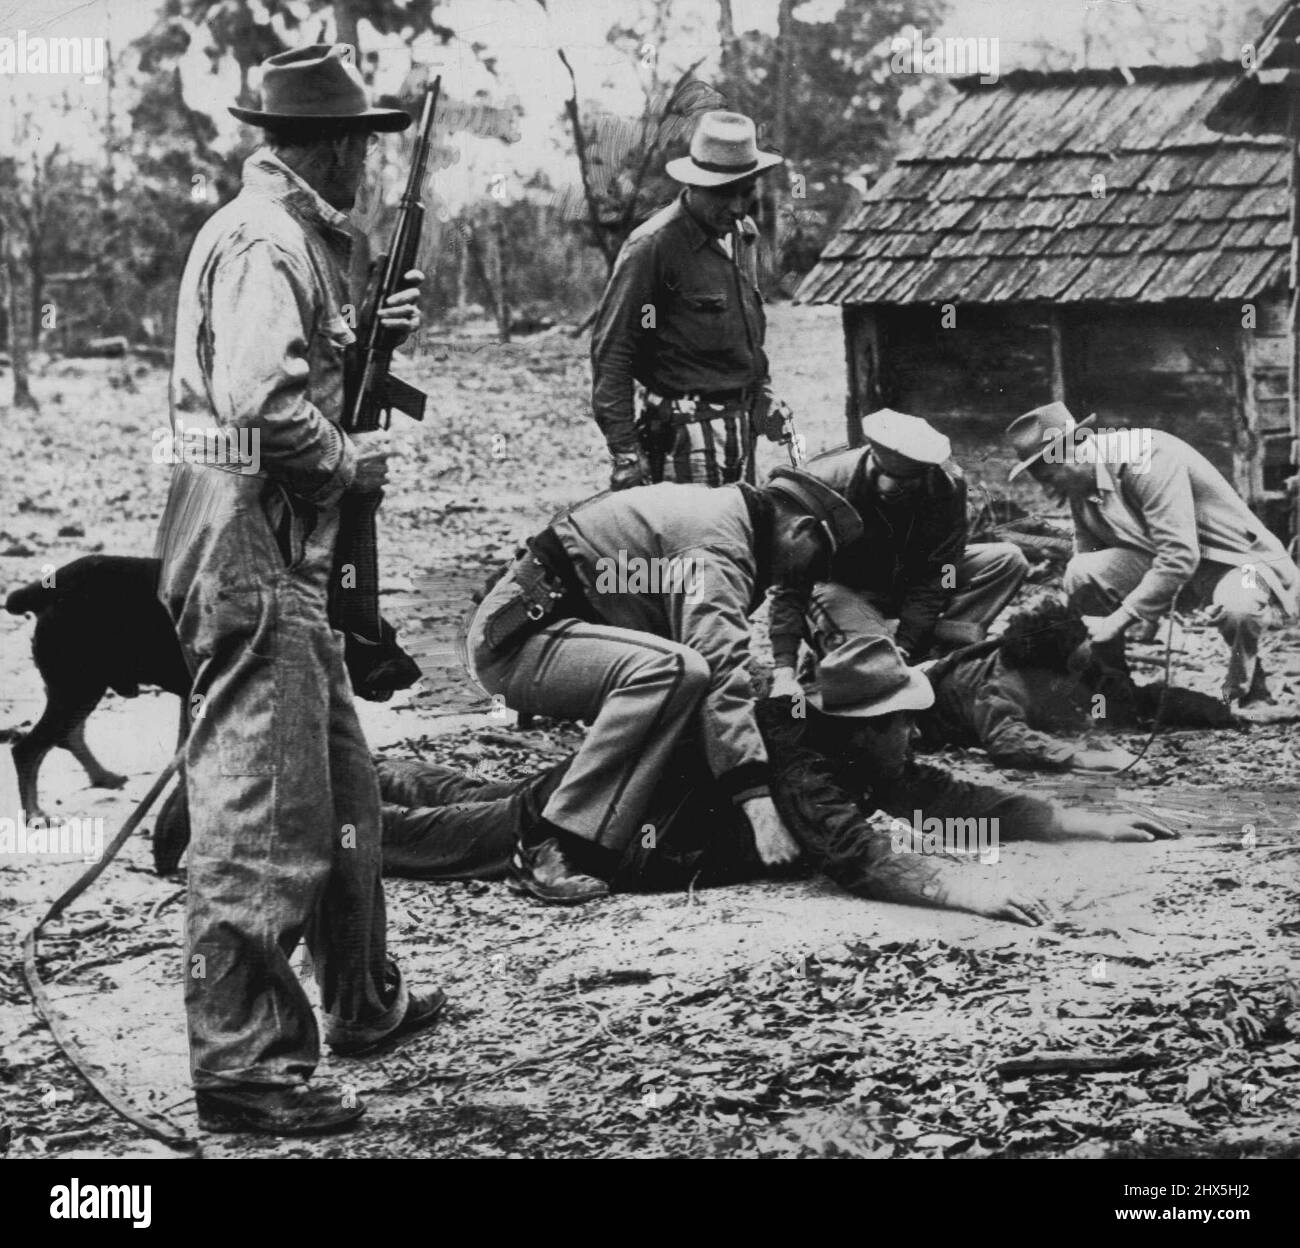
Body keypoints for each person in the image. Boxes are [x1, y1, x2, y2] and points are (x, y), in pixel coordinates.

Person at [154, 44, 442, 1137]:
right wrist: (344, 460)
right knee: (261, 815)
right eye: (359, 143)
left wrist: (375, 342)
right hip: (253, 550)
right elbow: (258, 408)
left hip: (276, 557)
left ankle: (364, 1000)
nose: (368, 164)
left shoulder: (290, 239)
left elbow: (296, 376)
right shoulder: (269, 241)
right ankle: (243, 1065)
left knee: (345, 797)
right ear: (327, 144)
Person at [371, 637, 1174, 926]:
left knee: (457, 795)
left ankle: (383, 770)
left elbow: (949, 798)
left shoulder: (849, 750)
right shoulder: (799, 763)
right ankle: (315, 810)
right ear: (859, 728)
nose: (911, 734)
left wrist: (1081, 823)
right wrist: (964, 892)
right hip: (580, 831)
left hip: (582, 796)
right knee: (400, 841)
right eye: (898, 722)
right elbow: (851, 851)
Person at [465, 470, 863, 903]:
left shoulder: (729, 520)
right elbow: (717, 666)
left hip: (553, 633)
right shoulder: (718, 546)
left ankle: (488, 807)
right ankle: (552, 846)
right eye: (814, 561)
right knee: (678, 671)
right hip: (514, 643)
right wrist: (757, 802)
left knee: (685, 675)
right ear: (800, 530)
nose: (803, 577)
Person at [1005, 402, 1300, 717]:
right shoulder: (1084, 484)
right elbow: (1088, 556)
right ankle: (1114, 691)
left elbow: (1179, 555)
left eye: (1051, 478)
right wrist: (1082, 623)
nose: (1050, 491)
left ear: (1076, 452)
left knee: (1238, 608)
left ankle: (1253, 689)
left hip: (1239, 561)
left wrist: (1120, 619)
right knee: (1081, 572)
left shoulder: (1146, 456)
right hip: (1164, 562)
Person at [591, 110, 789, 491]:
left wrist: (763, 396)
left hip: (739, 433)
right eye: (722, 193)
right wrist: (626, 454)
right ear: (693, 186)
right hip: (682, 441)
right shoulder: (653, 247)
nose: (735, 207)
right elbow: (613, 354)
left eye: (745, 193)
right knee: (694, 547)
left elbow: (747, 339)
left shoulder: (743, 236)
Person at [769, 409, 1028, 695]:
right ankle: (867, 645)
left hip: (907, 583)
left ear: (927, 472)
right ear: (870, 455)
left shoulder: (947, 487)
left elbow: (941, 572)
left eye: (906, 483)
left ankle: (941, 647)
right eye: (881, 475)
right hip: (840, 590)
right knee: (878, 664)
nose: (891, 487)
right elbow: (790, 586)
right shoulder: (821, 485)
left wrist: (907, 643)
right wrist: (784, 669)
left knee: (1006, 560)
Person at [916, 596, 1238, 772]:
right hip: (924, 719)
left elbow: (1127, 698)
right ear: (1057, 663)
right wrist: (1087, 759)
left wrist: (1220, 712)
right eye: (1083, 644)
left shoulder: (1067, 656)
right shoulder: (1003, 685)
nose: (1089, 646)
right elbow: (1005, 740)